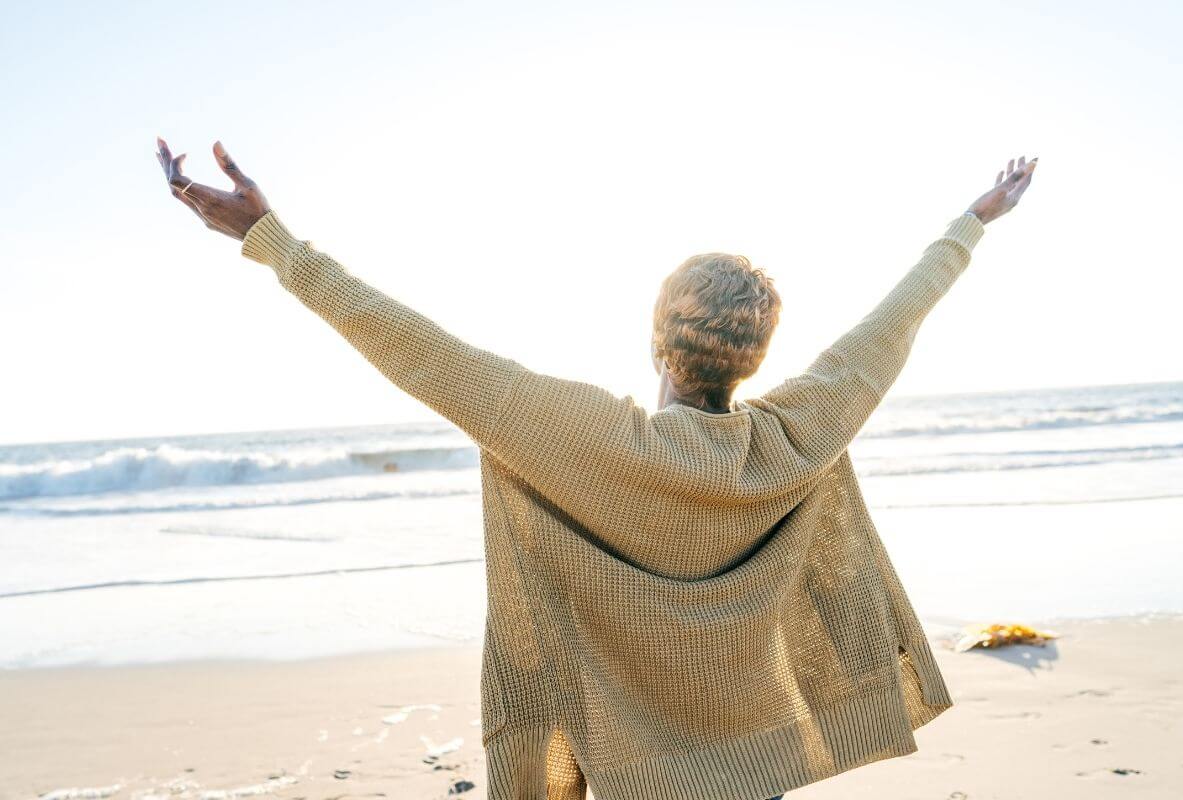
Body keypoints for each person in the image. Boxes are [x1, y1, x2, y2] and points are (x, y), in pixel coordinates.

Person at [155, 139, 1036, 800]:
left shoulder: (589, 440)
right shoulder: (799, 434)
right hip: (755, 765)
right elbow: (890, 327)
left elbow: (414, 347)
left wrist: (273, 240)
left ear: (658, 337)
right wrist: (972, 223)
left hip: (633, 776)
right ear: (758, 356)